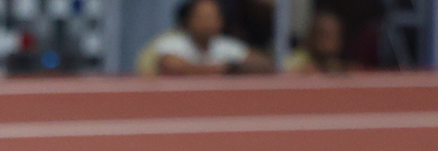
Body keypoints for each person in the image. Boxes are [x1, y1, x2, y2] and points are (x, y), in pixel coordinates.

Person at [143, 0, 272, 75]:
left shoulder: (224, 45)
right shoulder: (172, 41)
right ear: (187, 21)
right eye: (203, 17)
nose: (208, 23)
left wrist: (237, 67)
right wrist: (224, 70)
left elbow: (264, 64)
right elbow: (171, 66)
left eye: (213, 17)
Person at [286, 7, 350, 74]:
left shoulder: (344, 69)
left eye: (334, 35)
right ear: (310, 37)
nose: (328, 42)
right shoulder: (295, 65)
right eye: (323, 34)